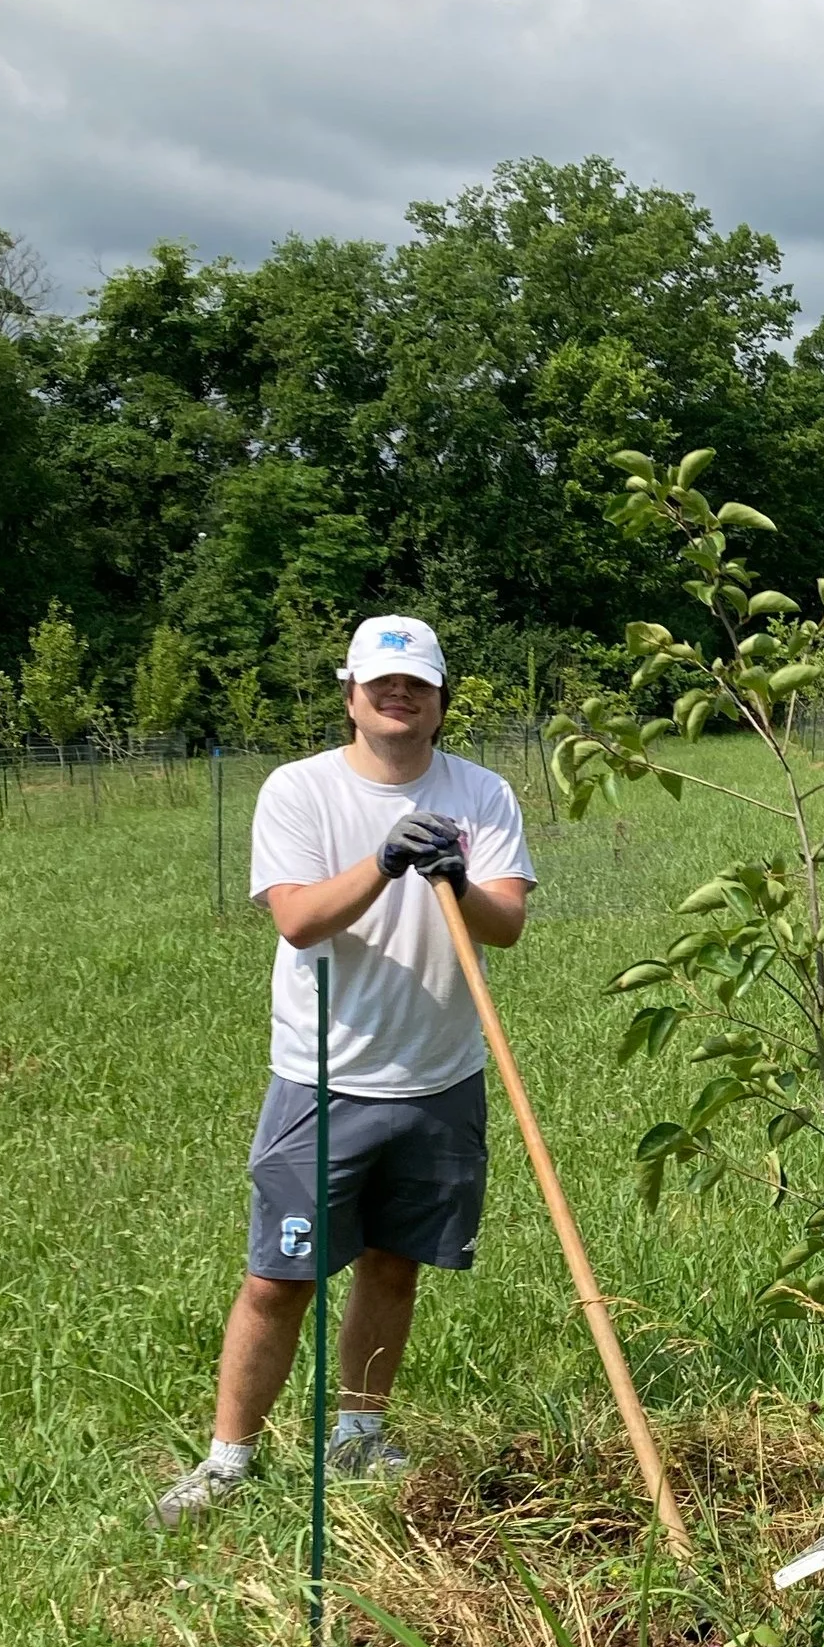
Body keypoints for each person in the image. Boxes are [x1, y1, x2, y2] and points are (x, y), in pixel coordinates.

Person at [154, 616, 536, 1528]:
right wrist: (386, 859)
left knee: (394, 1269)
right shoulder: (300, 791)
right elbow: (297, 918)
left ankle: (358, 1434)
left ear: (441, 700)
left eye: (417, 684)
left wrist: (459, 876)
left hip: (441, 1076)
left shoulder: (482, 795)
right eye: (382, 682)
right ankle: (228, 1459)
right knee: (278, 1277)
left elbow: (507, 922)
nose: (398, 696)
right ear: (351, 693)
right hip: (323, 1079)